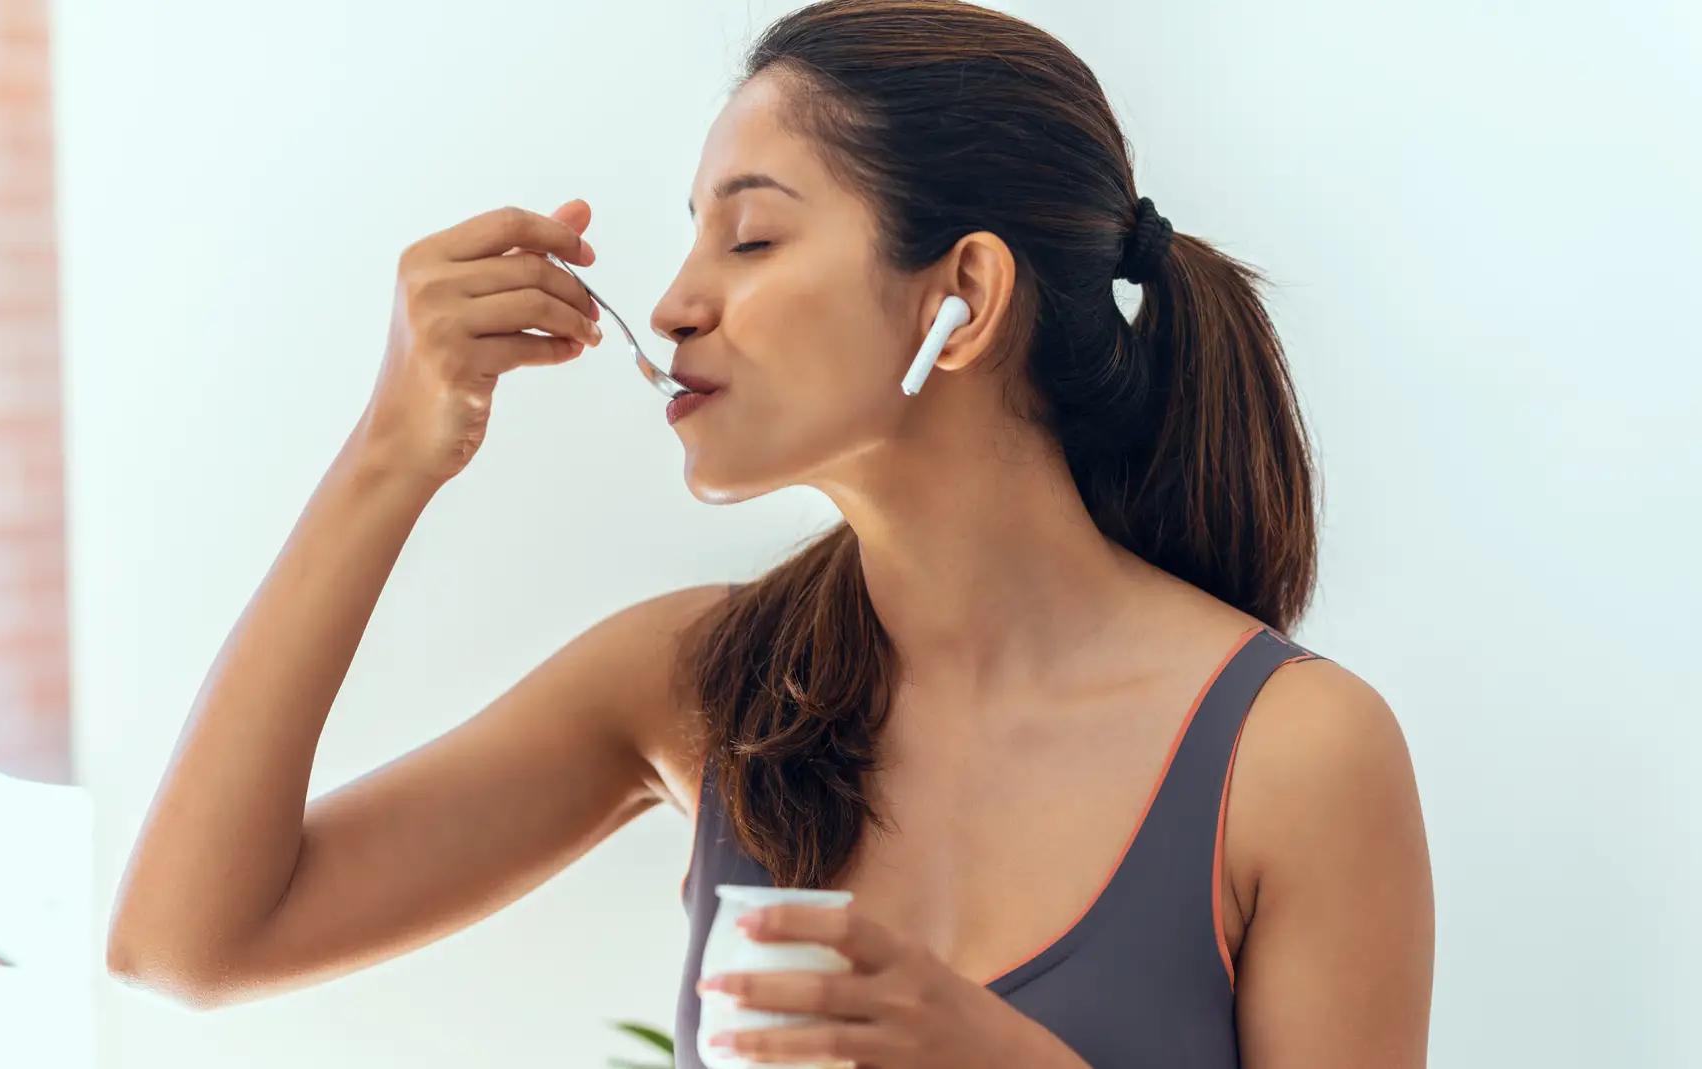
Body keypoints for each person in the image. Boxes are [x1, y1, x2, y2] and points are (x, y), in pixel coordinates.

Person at [105, 1, 1434, 1066]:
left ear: (959, 298)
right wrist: (395, 451)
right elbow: (189, 943)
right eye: (694, 238)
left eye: (749, 238)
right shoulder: (697, 683)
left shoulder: (1296, 757)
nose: (675, 303)